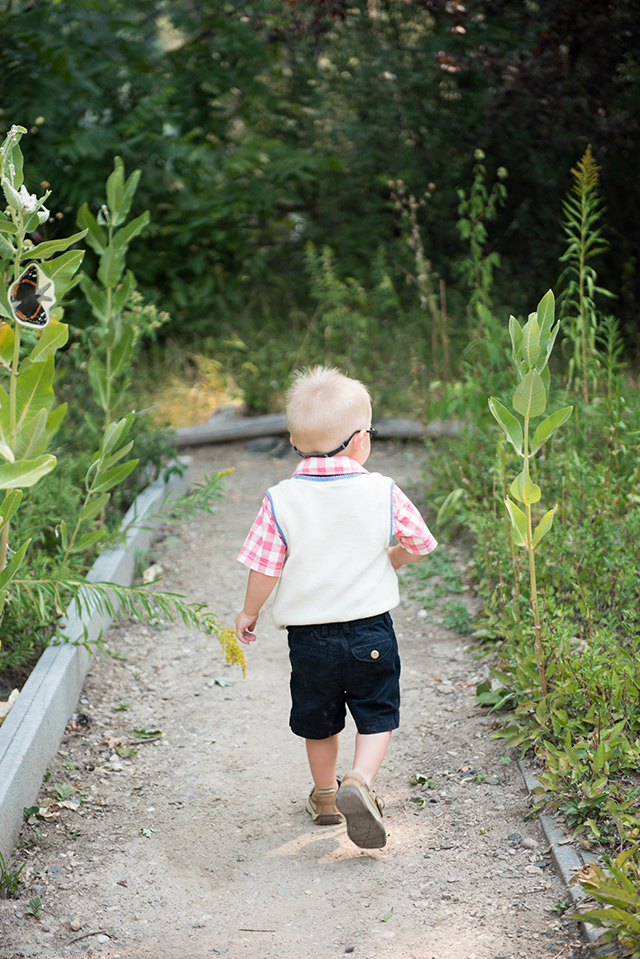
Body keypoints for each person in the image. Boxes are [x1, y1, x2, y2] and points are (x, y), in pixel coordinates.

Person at [235, 366, 437, 849]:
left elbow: (265, 567)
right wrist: (393, 558)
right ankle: (359, 781)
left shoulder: (281, 500)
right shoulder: (382, 490)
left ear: (292, 441)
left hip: (310, 640)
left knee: (319, 718)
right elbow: (420, 543)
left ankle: (325, 797)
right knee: (376, 712)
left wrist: (249, 613)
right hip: (371, 632)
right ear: (361, 441)